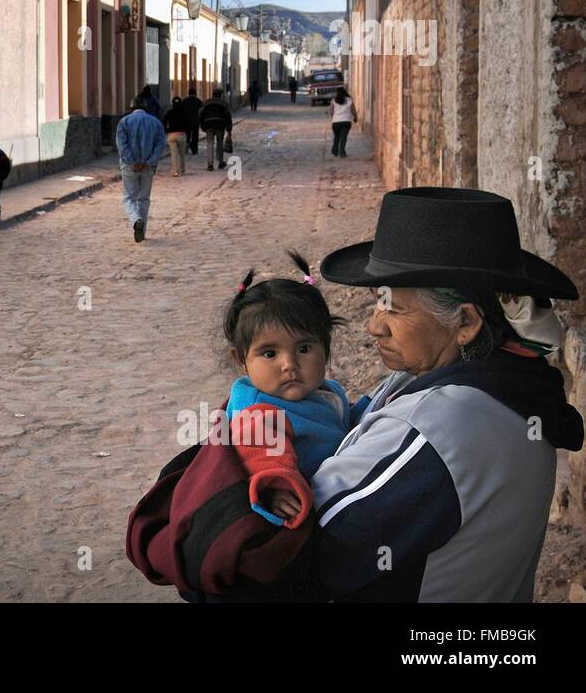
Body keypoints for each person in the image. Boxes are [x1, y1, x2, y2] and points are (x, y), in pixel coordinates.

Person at [129, 187, 583, 602]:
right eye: (378, 300)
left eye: (394, 308)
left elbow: (278, 563)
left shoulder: (444, 427)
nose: (372, 325)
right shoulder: (510, 385)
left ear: (465, 323)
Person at [221, 251, 360, 531]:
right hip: (301, 512)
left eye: (304, 349)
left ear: (326, 347)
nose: (290, 364)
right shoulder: (260, 413)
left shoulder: (325, 391)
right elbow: (262, 456)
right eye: (270, 353)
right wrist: (276, 489)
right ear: (241, 360)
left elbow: (336, 419)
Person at [115, 96, 166, 243]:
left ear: (131, 108)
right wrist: (149, 161)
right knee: (143, 199)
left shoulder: (124, 122)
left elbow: (122, 145)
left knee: (128, 198)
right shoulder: (156, 123)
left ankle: (136, 219)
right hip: (148, 167)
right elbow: (160, 145)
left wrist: (132, 161)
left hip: (129, 167)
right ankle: (142, 231)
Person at [198, 87, 233, 172]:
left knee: (209, 143)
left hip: (209, 124)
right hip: (220, 124)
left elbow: (200, 113)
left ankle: (210, 164)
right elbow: (228, 115)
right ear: (221, 95)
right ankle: (220, 162)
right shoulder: (224, 103)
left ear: (213, 94)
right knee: (219, 143)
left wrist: (202, 124)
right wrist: (229, 128)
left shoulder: (207, 102)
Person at [161, 96, 190, 177]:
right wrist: (188, 137)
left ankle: (175, 171)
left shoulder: (169, 112)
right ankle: (182, 169)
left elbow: (164, 121)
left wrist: (166, 130)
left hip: (172, 135)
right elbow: (188, 125)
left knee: (174, 153)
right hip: (182, 134)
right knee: (181, 154)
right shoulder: (184, 112)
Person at [329, 86, 357, 157]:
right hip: (346, 121)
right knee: (343, 137)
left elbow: (331, 112)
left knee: (337, 136)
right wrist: (355, 117)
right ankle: (341, 152)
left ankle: (335, 151)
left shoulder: (334, 100)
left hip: (336, 122)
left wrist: (333, 118)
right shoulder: (349, 100)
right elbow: (353, 110)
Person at [181, 87, 202, 156]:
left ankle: (186, 149)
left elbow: (182, 111)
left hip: (187, 122)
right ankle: (194, 149)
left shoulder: (185, 100)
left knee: (187, 136)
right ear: (195, 93)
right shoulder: (198, 101)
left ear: (188, 93)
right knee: (195, 136)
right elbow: (201, 111)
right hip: (195, 121)